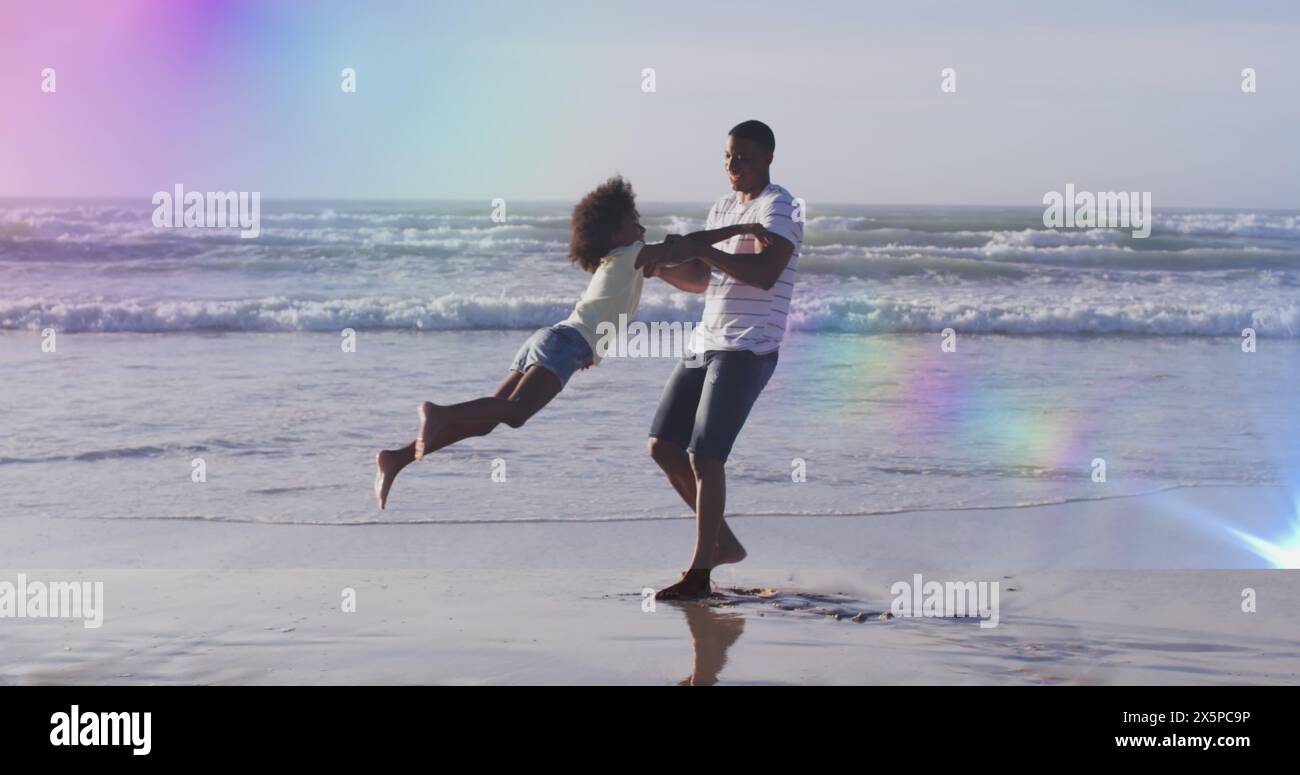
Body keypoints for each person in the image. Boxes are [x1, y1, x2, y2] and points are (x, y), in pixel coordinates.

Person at [374, 176, 685, 509]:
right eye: (633, 220)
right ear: (614, 233)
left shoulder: (620, 262)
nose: (641, 227)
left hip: (552, 340)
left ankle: (398, 458)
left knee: (486, 424)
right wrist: (735, 231)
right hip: (565, 345)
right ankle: (439, 412)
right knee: (517, 413)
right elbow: (686, 249)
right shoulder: (632, 253)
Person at [638, 120, 804, 599]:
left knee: (705, 455)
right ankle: (723, 543)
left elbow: (767, 273)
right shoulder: (725, 207)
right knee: (662, 446)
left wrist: (700, 248)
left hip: (748, 347)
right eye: (729, 156)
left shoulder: (779, 206)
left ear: (768, 159)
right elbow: (702, 279)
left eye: (745, 157)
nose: (734, 165)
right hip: (705, 342)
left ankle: (699, 574)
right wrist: (665, 268)